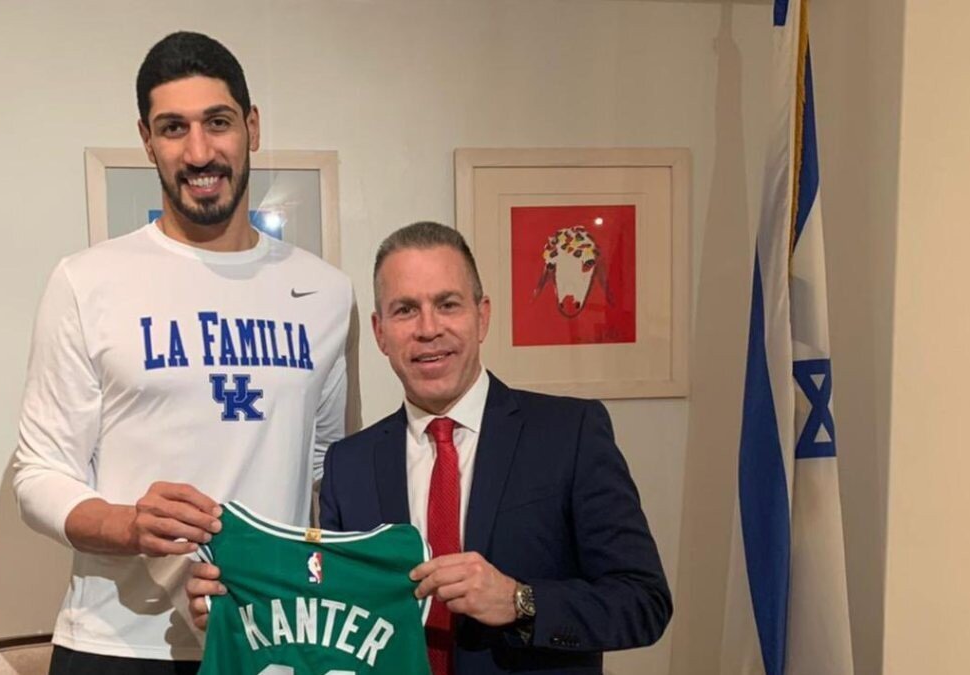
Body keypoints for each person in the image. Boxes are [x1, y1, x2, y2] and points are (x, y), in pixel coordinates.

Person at [13, 31, 353, 675]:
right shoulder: (87, 281)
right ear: (147, 140)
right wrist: (128, 524)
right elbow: (38, 475)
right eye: (174, 128)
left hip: (271, 639)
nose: (199, 152)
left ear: (252, 127)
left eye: (217, 122)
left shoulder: (327, 293)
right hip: (119, 644)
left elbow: (325, 473)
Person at [189, 222, 670, 675]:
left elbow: (644, 602)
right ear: (380, 332)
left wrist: (520, 600)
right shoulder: (349, 465)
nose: (428, 328)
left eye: (448, 304)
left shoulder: (569, 433)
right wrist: (244, 612)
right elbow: (331, 616)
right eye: (405, 310)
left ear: (482, 316)